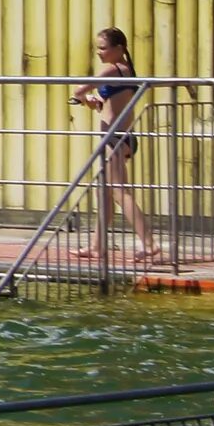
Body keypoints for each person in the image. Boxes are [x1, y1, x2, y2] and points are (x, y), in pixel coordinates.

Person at [72, 25, 161, 261]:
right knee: (105, 193)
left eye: (103, 48)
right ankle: (96, 246)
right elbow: (106, 104)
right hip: (121, 135)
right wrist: (93, 102)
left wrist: (80, 96)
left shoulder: (113, 69)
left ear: (118, 48)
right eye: (97, 48)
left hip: (115, 137)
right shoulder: (126, 70)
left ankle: (149, 243)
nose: (99, 53)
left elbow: (80, 88)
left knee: (121, 192)